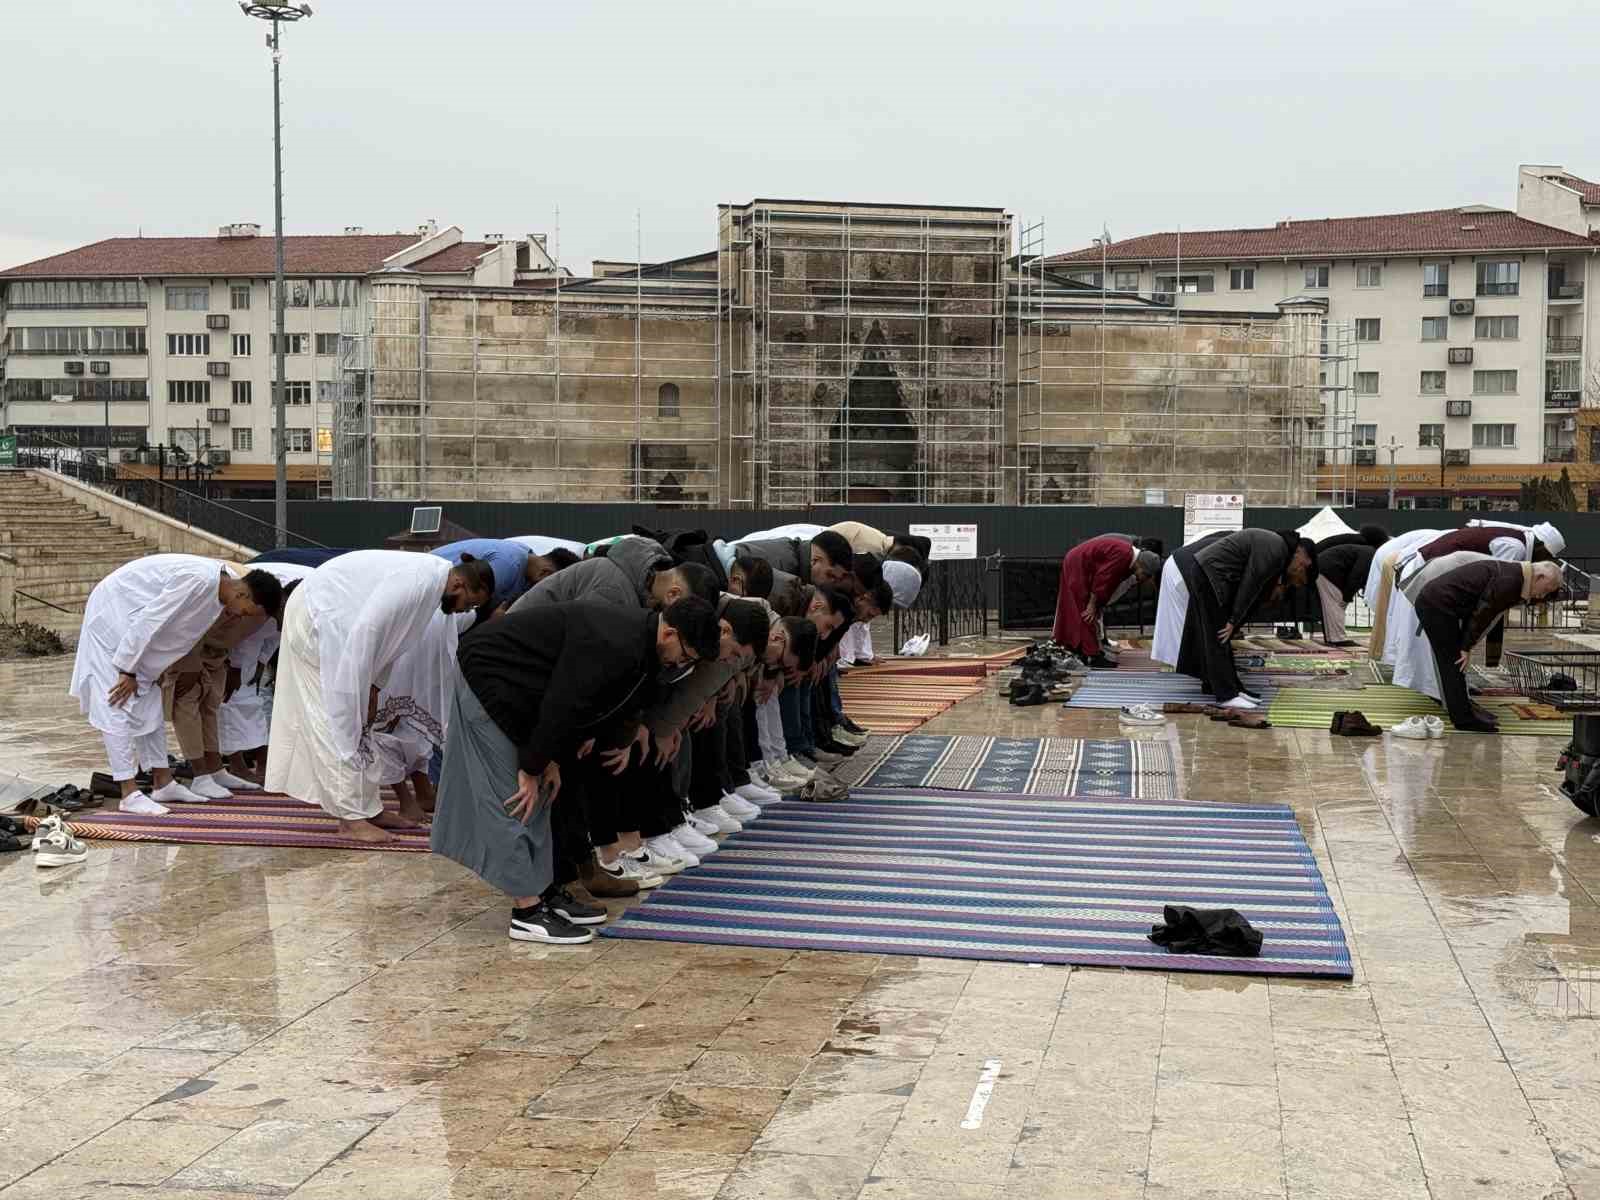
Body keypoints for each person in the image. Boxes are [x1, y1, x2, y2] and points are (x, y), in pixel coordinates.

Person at [431, 596, 720, 943]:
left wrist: (551, 759)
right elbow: (564, 703)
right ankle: (526, 912)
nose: (681, 664)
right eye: (685, 656)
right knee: (513, 797)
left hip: (527, 694)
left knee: (546, 793)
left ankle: (544, 890)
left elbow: (588, 705)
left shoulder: (642, 646)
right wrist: (533, 766)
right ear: (670, 633)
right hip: (490, 679)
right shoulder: (616, 641)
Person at [265, 549, 493, 842]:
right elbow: (368, 629)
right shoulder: (418, 582)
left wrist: (373, 687)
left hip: (340, 627)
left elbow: (392, 640)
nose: (464, 611)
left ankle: (369, 810)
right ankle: (350, 820)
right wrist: (358, 691)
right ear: (458, 584)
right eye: (468, 603)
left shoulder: (432, 583)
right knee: (337, 722)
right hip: (317, 619)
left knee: (360, 725)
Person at [69, 555, 281, 815]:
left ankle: (163, 782)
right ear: (242, 594)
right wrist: (127, 669)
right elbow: (151, 619)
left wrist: (156, 668)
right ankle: (128, 792)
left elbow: (179, 634)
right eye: (245, 612)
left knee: (150, 703)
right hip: (115, 616)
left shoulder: (219, 592)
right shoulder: (198, 580)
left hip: (135, 633)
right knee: (117, 702)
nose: (239, 617)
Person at [1386, 521, 1564, 702]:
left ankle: (1448, 693)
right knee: (1439, 648)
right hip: (1433, 578)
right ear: (1541, 547)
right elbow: (1492, 602)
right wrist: (1467, 645)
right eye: (1547, 555)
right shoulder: (1515, 549)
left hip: (1441, 579)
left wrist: (1468, 643)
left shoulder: (1516, 545)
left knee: (1447, 648)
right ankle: (1443, 696)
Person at [1410, 557, 1562, 731]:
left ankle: (1465, 712)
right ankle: (1464, 719)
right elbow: (1483, 614)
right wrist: (1465, 647)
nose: (1542, 596)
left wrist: (1466, 645)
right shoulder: (1511, 580)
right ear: (1540, 577)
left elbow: (1480, 611)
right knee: (1453, 663)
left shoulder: (1515, 575)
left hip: (1440, 603)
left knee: (1454, 663)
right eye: (1545, 590)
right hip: (1436, 605)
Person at [1172, 529, 1316, 710]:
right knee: (1218, 636)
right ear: (1299, 551)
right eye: (1303, 564)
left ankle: (1223, 686)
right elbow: (1251, 582)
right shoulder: (1276, 548)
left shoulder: (1278, 548)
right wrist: (1233, 620)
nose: (1301, 567)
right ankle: (1226, 695)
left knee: (1217, 636)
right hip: (1210, 574)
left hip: (1209, 572)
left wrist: (1234, 620)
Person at [1052, 536, 1161, 667]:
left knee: (1082, 610)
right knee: (1086, 611)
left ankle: (1080, 648)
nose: (1142, 578)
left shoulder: (1127, 555)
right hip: (1077, 564)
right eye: (1145, 574)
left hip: (1078, 562)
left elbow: (1108, 583)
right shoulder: (1123, 556)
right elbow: (1103, 579)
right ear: (1141, 564)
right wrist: (1092, 604)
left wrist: (1097, 604)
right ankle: (1092, 655)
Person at [1151, 530, 1230, 668]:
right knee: (1190, 624)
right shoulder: (1241, 548)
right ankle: (1192, 663)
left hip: (1183, 565)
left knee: (1179, 624)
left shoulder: (1230, 540)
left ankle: (1183, 661)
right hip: (1186, 568)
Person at [1312, 526, 1390, 647]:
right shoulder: (1370, 553)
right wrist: (1347, 596)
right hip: (1328, 570)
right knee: (1335, 604)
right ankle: (1337, 638)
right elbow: (1357, 575)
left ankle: (1334, 637)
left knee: (1333, 604)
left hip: (1324, 568)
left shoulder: (1363, 548)